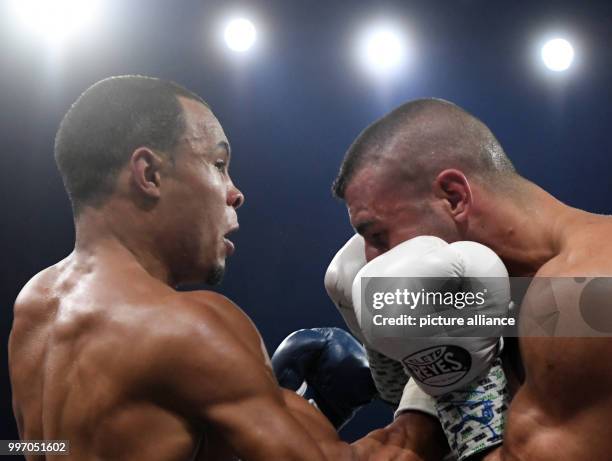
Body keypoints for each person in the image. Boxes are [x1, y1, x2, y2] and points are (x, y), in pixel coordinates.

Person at [8, 75, 356, 461]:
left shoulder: (34, 305)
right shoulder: (189, 327)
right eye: (218, 164)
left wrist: (302, 413)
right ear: (150, 175)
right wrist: (424, 400)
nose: (235, 192)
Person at [321, 97, 612, 460]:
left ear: (454, 197)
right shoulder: (491, 301)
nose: (369, 262)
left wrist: (461, 391)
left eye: (378, 235)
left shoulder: (588, 291)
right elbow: (407, 446)